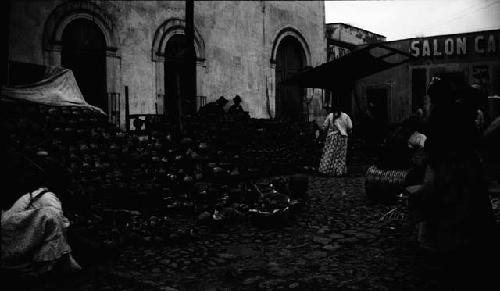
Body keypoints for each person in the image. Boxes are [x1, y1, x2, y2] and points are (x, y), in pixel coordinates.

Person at [408, 76, 498, 290]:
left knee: (446, 226)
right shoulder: (460, 118)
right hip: (464, 176)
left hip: (448, 176)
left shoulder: (440, 120)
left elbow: (435, 154)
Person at [1, 150, 81, 279]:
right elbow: (57, 219)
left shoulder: (36, 194)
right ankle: (48, 265)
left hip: (14, 228)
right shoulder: (46, 196)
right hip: (10, 232)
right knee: (53, 219)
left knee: (53, 223)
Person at [318, 107, 352, 176]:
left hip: (332, 137)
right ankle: (338, 171)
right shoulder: (345, 116)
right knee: (340, 155)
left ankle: (326, 169)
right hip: (343, 138)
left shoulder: (330, 115)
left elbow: (324, 126)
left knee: (330, 153)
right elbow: (350, 126)